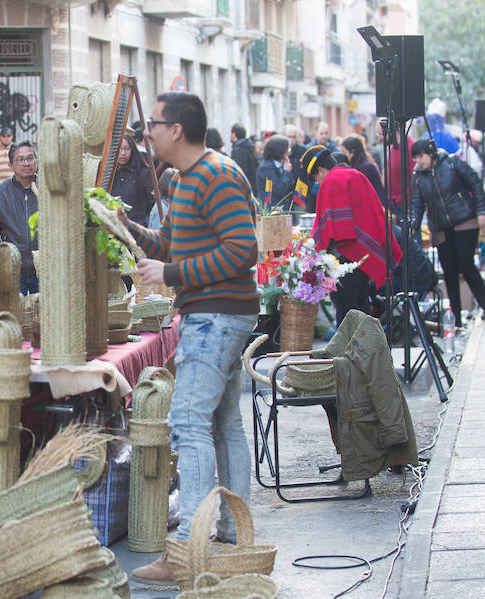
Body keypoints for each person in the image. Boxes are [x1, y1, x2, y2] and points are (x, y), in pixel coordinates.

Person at [123, 92, 259, 584]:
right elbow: (171, 243)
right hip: (216, 313)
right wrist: (130, 228)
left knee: (188, 422)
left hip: (217, 316)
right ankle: (232, 537)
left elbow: (244, 249)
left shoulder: (215, 174)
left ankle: (186, 550)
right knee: (223, 425)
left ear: (176, 129)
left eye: (151, 125)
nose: (147, 134)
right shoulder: (183, 178)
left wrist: (172, 271)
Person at [304, 145, 402, 326]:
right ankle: (365, 351)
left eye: (316, 178)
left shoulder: (331, 181)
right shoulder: (357, 175)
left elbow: (328, 228)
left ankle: (349, 352)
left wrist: (315, 252)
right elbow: (374, 214)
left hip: (344, 256)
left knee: (345, 307)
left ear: (320, 170)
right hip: (364, 253)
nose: (317, 182)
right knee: (361, 303)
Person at [410, 140, 485, 325]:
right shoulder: (417, 176)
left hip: (465, 220)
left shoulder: (451, 163)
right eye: (415, 157)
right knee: (449, 270)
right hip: (440, 226)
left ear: (430, 153)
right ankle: (455, 317)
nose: (418, 160)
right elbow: (416, 205)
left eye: (420, 156)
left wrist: (481, 211)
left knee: (465, 264)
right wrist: (412, 225)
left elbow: (475, 184)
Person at [0, 141, 40, 294]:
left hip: (45, 270)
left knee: (45, 315)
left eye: (30, 158)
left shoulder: (49, 188)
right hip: (14, 272)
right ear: (11, 165)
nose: (26, 163)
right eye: (20, 160)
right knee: (18, 316)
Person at [110, 134, 155, 227]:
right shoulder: (108, 172)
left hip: (136, 228)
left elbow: (152, 203)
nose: (123, 153)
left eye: (127, 149)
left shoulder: (143, 172)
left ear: (133, 150)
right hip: (112, 228)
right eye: (119, 149)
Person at [342, 135, 387, 209]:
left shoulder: (365, 167)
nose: (344, 155)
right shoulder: (360, 165)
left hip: (378, 206)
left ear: (352, 152)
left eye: (344, 152)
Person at [255, 135, 296, 211]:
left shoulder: (283, 165)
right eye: (288, 149)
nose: (289, 152)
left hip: (283, 208)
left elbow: (290, 187)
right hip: (270, 209)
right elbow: (278, 189)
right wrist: (286, 172)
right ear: (280, 151)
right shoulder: (266, 168)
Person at [229, 123, 258, 193]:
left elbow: (241, 170)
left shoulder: (240, 149)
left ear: (234, 134)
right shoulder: (247, 146)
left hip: (244, 189)